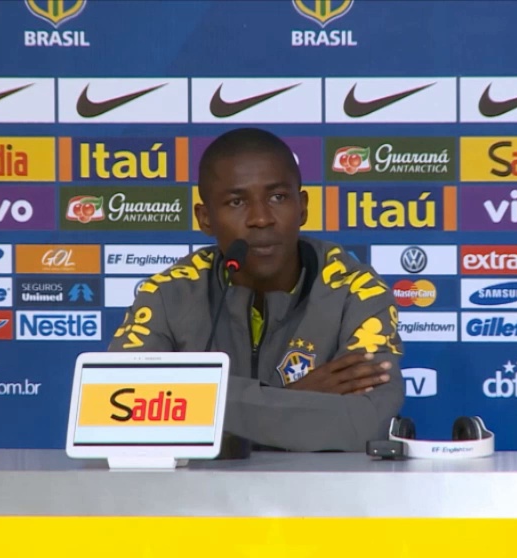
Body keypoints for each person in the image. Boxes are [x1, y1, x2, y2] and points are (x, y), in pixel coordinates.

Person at [108, 128, 404, 452]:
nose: (261, 219)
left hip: (317, 486)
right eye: (236, 202)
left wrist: (192, 401)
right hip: (201, 487)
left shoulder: (356, 290)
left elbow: (366, 423)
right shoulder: (169, 293)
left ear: (303, 207)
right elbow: (117, 404)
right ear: (205, 219)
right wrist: (293, 397)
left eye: (278, 197)